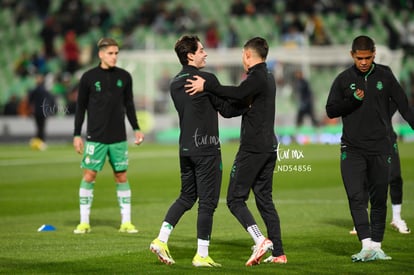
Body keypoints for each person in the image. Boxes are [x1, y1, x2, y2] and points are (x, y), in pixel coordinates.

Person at [186, 37, 287, 266]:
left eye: (243, 54)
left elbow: (237, 93)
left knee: (234, 199)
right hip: (268, 146)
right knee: (264, 200)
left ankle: (260, 240)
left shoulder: (257, 77)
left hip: (253, 148)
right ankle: (279, 252)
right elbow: (235, 107)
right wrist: (216, 100)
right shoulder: (266, 78)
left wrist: (207, 86)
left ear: (248, 55)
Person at [149, 35, 247, 267]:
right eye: (201, 50)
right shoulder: (206, 79)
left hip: (185, 148)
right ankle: (202, 255)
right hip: (207, 148)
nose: (205, 53)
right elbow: (226, 109)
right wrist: (250, 102)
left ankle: (161, 239)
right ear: (190, 55)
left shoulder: (174, 84)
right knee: (208, 203)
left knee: (186, 196)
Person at [325, 35, 414, 262]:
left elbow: (404, 106)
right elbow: (331, 110)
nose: (363, 62)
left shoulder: (385, 75)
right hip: (352, 148)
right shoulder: (344, 79)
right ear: (352, 56)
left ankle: (377, 246)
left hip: (380, 148)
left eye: (367, 57)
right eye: (359, 58)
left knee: (378, 199)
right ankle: (365, 246)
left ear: (374, 54)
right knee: (356, 196)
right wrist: (352, 100)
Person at [73, 37, 145, 234]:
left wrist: (136, 128)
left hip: (118, 137)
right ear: (101, 54)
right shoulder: (88, 77)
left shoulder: (125, 76)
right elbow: (80, 108)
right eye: (111, 53)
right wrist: (76, 134)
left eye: (116, 53)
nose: (114, 57)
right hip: (95, 137)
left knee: (121, 176)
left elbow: (129, 105)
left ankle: (126, 222)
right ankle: (84, 222)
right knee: (89, 175)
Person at [28, 74, 55, 151]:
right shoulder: (45, 90)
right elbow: (51, 100)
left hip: (37, 111)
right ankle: (41, 142)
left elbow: (30, 100)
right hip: (43, 111)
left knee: (39, 127)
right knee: (41, 127)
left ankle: (38, 142)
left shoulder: (35, 90)